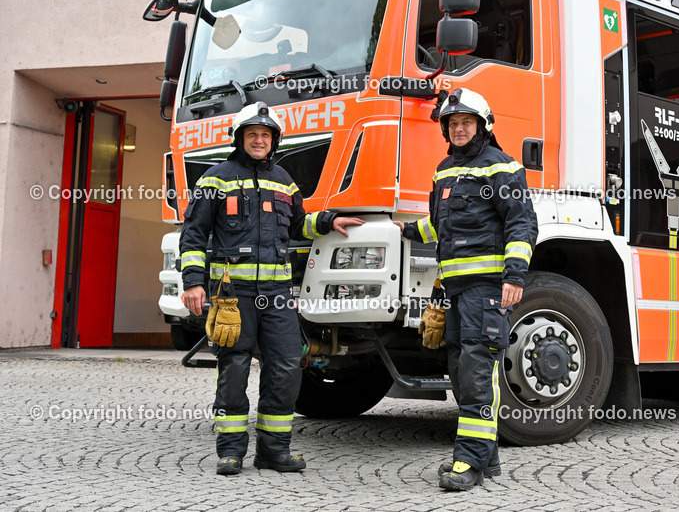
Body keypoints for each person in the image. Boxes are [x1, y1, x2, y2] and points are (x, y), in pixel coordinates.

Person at [180, 101, 363, 475]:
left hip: (278, 296)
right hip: (232, 296)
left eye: (265, 135)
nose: (259, 140)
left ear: (274, 139)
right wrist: (193, 283)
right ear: (240, 138)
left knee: (286, 367)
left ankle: (274, 452)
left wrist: (328, 221)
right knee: (234, 368)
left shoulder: (284, 180)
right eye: (252, 134)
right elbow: (194, 234)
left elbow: (299, 225)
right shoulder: (216, 178)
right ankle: (230, 451)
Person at [396, 88, 538, 491]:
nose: (459, 129)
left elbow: (522, 224)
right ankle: (485, 455)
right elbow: (440, 227)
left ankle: (469, 462)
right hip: (456, 292)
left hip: (488, 289)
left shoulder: (501, 167)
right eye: (453, 123)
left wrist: (514, 276)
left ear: (483, 126)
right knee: (460, 372)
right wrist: (405, 230)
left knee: (477, 372)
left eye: (466, 123)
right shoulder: (444, 170)